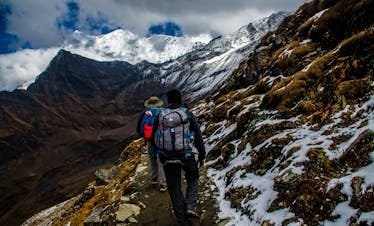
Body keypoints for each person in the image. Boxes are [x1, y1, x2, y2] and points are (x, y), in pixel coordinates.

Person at [152, 89, 205, 226]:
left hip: (167, 156)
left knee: (174, 187)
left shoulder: (160, 115)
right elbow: (198, 135)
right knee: (193, 177)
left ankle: (182, 220)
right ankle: (190, 206)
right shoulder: (187, 114)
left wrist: (160, 153)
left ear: (168, 100)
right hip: (186, 155)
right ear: (180, 99)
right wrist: (202, 154)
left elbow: (153, 136)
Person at [137, 96, 167, 192]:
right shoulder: (164, 112)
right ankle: (163, 183)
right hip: (161, 140)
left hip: (150, 140)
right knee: (161, 160)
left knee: (152, 158)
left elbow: (139, 129)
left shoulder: (146, 114)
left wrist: (146, 137)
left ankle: (154, 178)